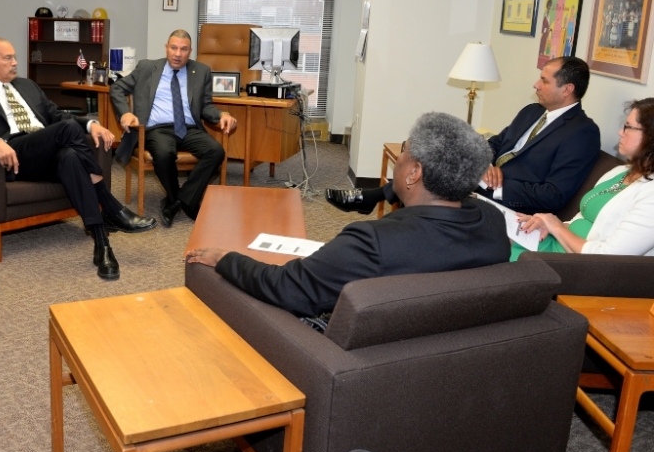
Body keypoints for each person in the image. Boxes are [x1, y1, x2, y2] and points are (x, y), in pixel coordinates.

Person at [187, 113, 509, 317]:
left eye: (403, 151)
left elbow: (287, 286)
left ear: (413, 173)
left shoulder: (372, 242)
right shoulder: (491, 220)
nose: (397, 159)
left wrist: (225, 257)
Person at [0, 37, 156, 281]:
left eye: (15, 57)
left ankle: (102, 245)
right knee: (67, 129)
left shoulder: (27, 85)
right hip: (16, 153)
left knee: (70, 156)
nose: (15, 62)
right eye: (8, 58)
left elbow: (56, 114)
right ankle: (111, 207)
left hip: (48, 148)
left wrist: (92, 125)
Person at [327, 57, 600, 216]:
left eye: (544, 81)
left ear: (567, 90)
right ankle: (374, 197)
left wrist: (495, 185)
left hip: (510, 203)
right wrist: (485, 165)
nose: (535, 85)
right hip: (486, 179)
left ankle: (372, 197)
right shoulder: (532, 111)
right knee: (435, 146)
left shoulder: (582, 133)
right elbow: (496, 144)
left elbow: (553, 195)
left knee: (435, 168)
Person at [110, 30, 238, 227]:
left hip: (188, 127)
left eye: (183, 49)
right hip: (157, 129)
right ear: (166, 48)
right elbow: (117, 88)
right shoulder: (147, 67)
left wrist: (222, 114)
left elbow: (205, 106)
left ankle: (177, 201)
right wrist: (125, 113)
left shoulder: (201, 71)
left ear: (190, 51)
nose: (178, 54)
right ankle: (184, 201)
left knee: (215, 151)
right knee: (164, 153)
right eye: (174, 48)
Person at [513, 98, 654, 260]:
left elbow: (609, 259)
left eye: (628, 127)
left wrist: (556, 226)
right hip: (558, 245)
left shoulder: (650, 196)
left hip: (578, 268)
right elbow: (579, 219)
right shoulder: (620, 171)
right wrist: (546, 224)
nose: (620, 133)